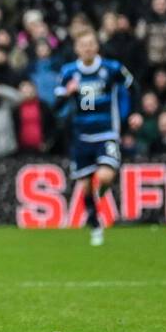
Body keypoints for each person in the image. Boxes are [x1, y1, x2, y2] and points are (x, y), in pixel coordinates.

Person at [53, 27, 134, 246]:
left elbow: (132, 86)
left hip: (107, 132)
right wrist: (68, 93)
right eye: (83, 45)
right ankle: (95, 223)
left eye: (91, 44)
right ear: (77, 49)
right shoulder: (69, 72)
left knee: (105, 177)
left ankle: (104, 190)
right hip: (81, 136)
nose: (88, 48)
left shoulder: (112, 68)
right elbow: (56, 104)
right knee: (85, 186)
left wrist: (132, 115)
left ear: (97, 46)